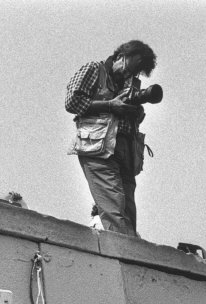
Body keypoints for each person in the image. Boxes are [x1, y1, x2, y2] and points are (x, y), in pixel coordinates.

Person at [66, 40, 157, 237]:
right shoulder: (94, 70)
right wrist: (109, 105)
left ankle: (133, 251)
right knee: (114, 206)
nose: (133, 74)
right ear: (122, 56)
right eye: (135, 66)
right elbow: (72, 102)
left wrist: (135, 112)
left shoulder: (129, 85)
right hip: (98, 147)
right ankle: (124, 253)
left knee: (128, 210)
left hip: (124, 149)